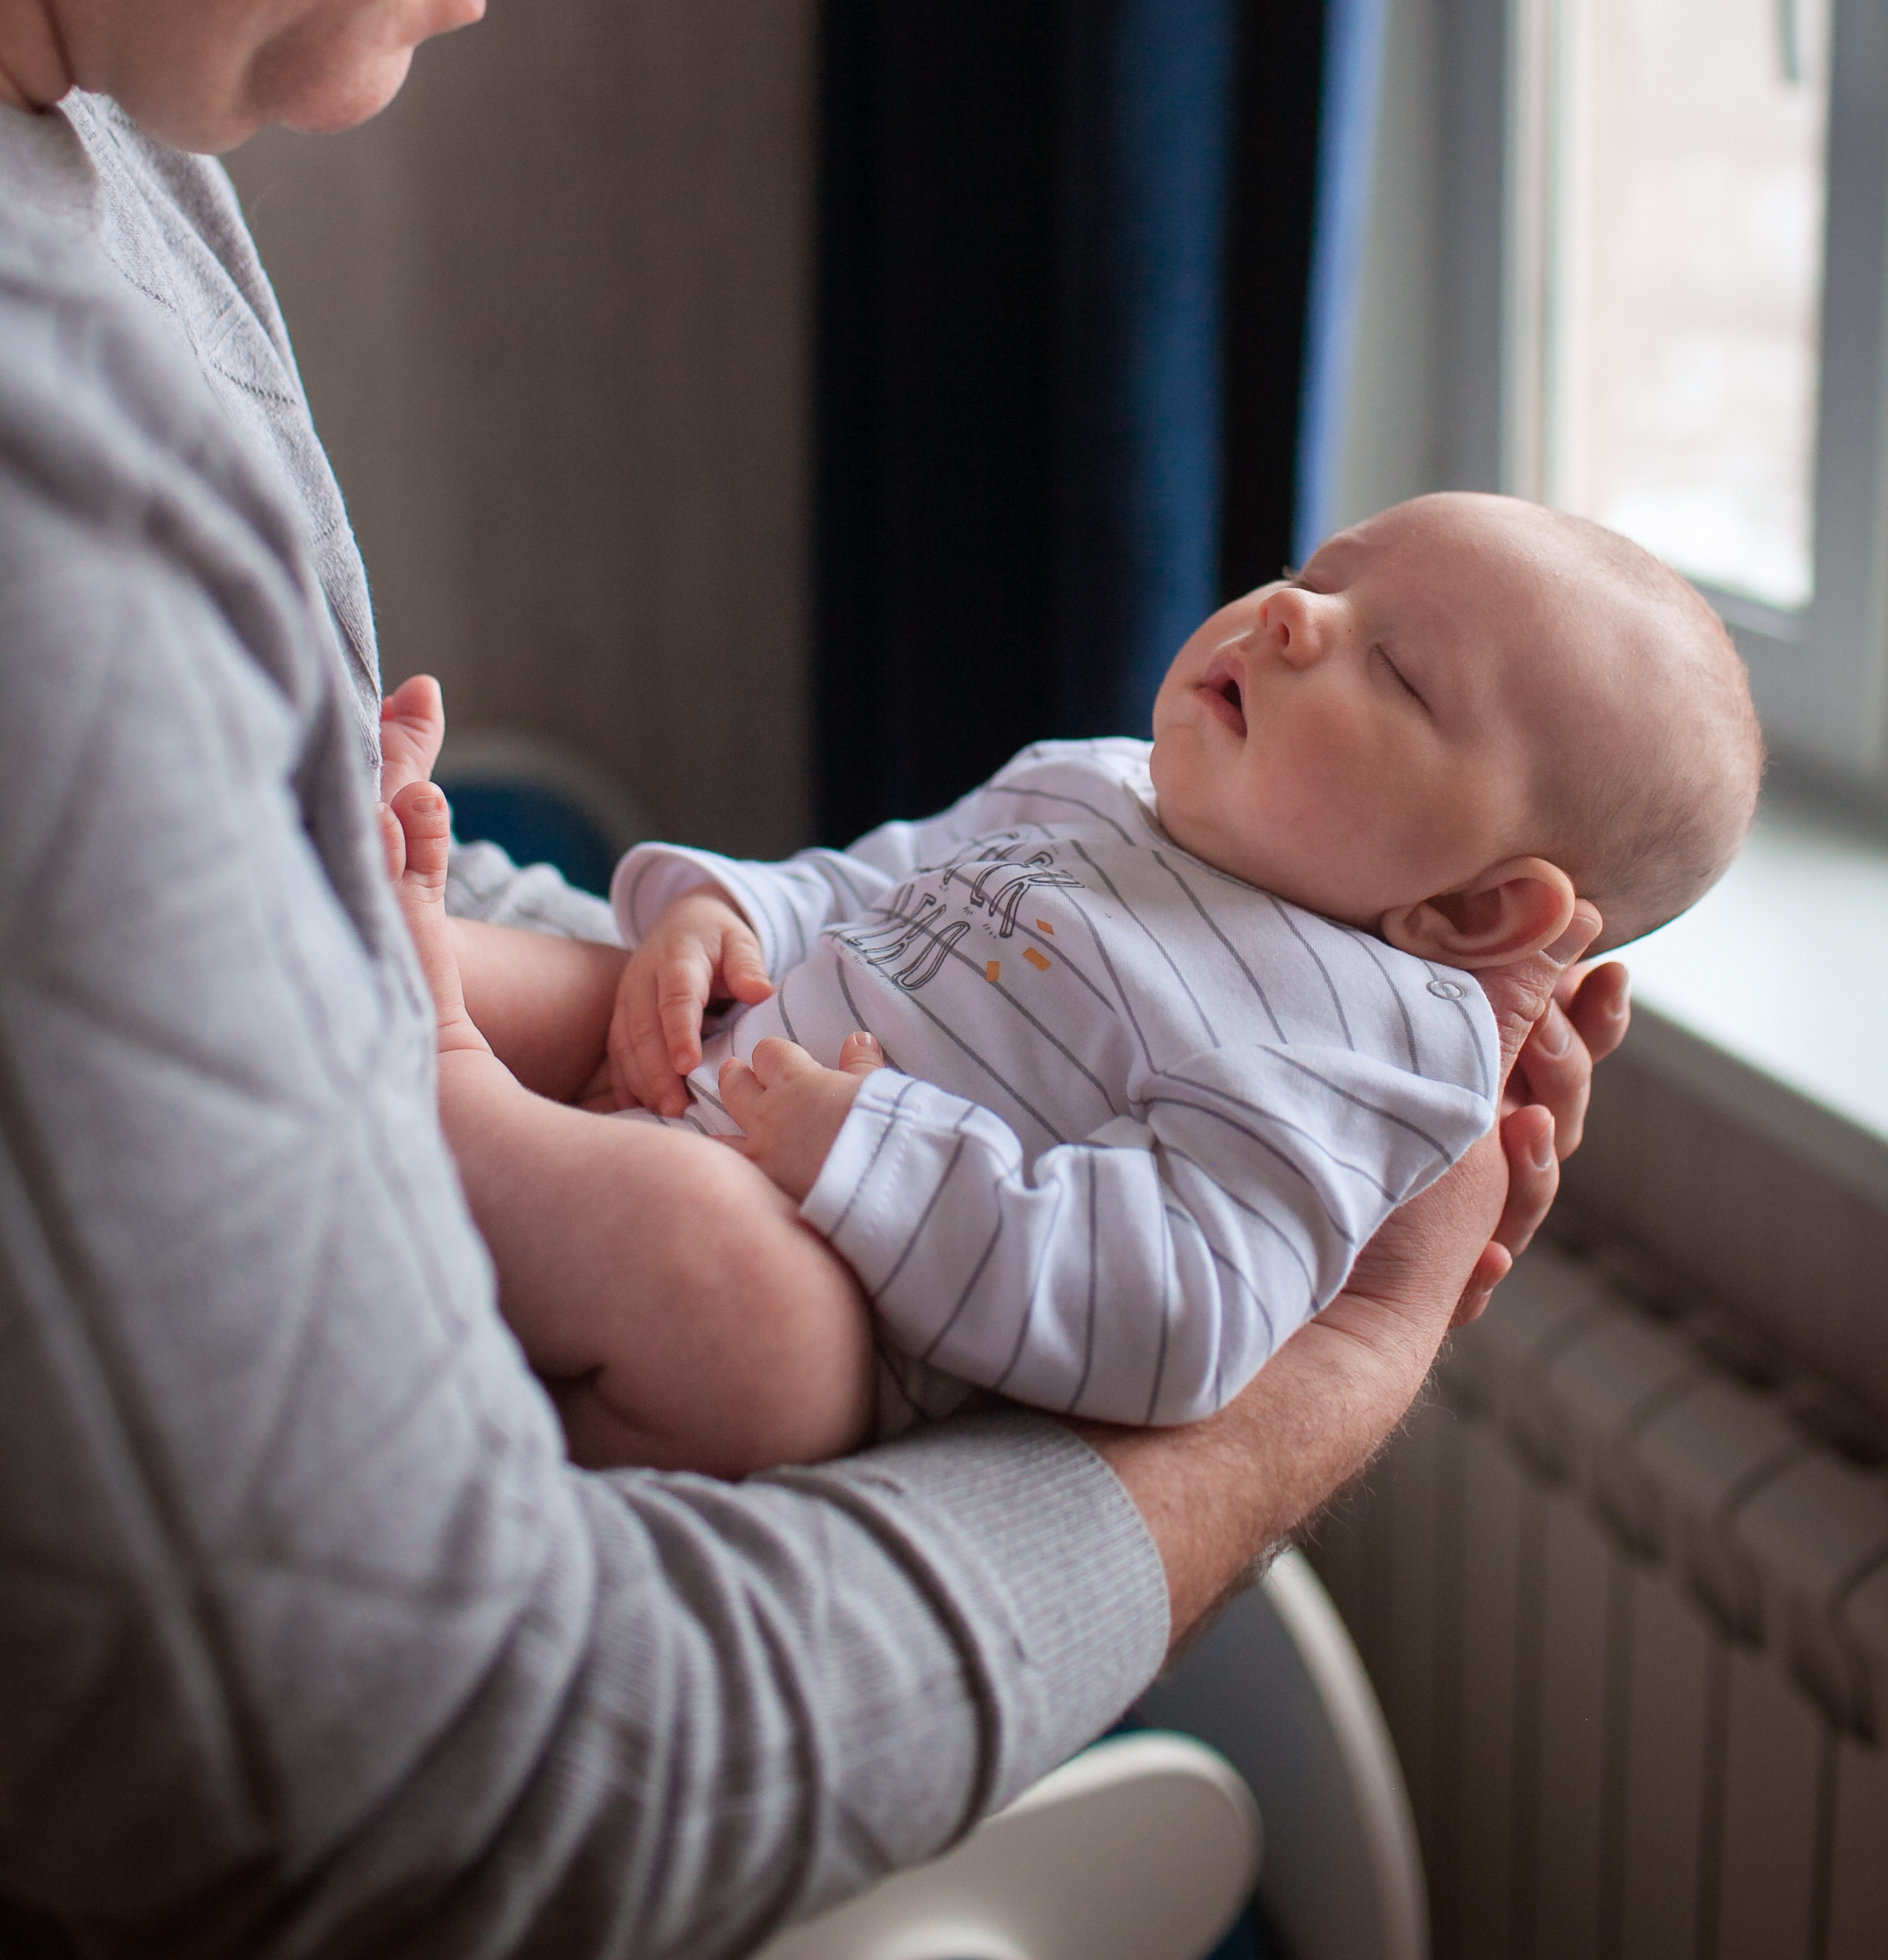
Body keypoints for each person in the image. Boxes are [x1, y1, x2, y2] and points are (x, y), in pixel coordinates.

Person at [0, 0, 1627, 1953]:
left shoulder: (115, 178)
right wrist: (1303, 1404)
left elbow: (343, 936)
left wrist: (520, 951)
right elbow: (450, 1805)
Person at [382, 494, 1745, 1469]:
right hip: (709, 1064)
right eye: (1318, 574)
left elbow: (1178, 1311)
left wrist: (871, 1153)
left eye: (1392, 665)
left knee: (732, 1292)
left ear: (1475, 907)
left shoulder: (1363, 1046)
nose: (1289, 616)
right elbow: (868, 884)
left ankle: (434, 1091)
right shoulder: (1100, 781)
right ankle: (356, 970)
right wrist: (716, 923)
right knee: (579, 972)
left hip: (827, 1270)